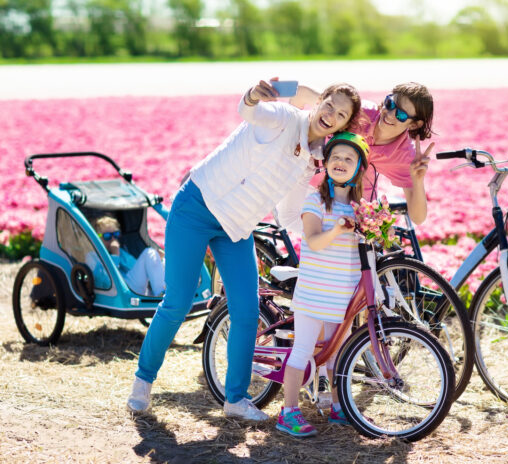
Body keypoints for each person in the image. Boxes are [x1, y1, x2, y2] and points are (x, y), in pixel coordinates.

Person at [127, 79, 362, 420]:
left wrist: (334, 231)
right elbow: (249, 111)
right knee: (177, 302)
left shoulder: (313, 160)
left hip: (236, 228)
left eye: (341, 115)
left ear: (342, 125)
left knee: (247, 310)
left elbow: (289, 214)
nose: (332, 115)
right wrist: (253, 95)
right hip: (197, 205)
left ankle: (235, 399)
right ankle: (142, 382)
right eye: (330, 105)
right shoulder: (285, 117)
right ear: (319, 100)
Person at [276, 132, 369, 438]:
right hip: (315, 293)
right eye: (335, 157)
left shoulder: (359, 208)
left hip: (342, 296)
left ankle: (339, 406)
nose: (341, 163)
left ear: (358, 168)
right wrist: (338, 230)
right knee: (302, 350)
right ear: (326, 163)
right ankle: (288, 411)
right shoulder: (315, 200)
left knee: (338, 354)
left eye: (349, 159)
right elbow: (314, 241)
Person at [281, 82, 434, 226]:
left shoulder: (404, 155)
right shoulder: (360, 112)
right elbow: (301, 94)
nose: (390, 114)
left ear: (414, 124)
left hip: (355, 206)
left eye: (401, 115)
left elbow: (418, 218)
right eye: (390, 104)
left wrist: (418, 180)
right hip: (309, 183)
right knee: (306, 229)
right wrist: (289, 139)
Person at [87, 215, 165, 296]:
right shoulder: (92, 256)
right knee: (148, 252)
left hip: (130, 285)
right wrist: (114, 256)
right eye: (107, 236)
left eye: (116, 234)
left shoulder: (120, 251)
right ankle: (161, 295)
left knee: (160, 259)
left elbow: (134, 267)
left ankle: (163, 293)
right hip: (119, 292)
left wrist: (156, 261)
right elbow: (104, 282)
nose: (113, 239)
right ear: (97, 237)